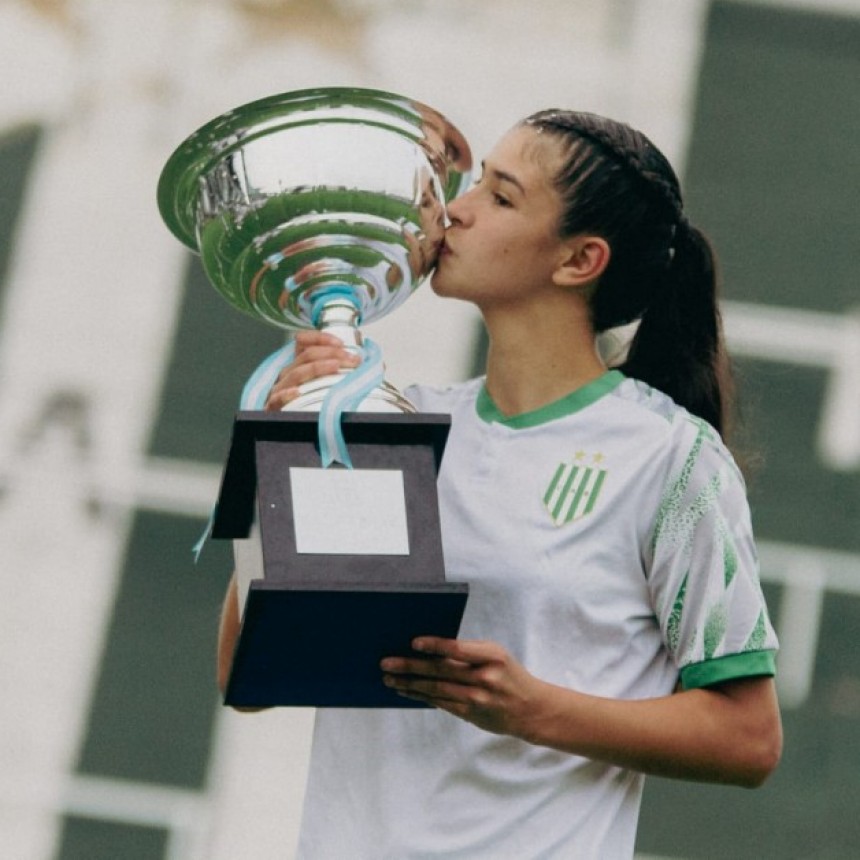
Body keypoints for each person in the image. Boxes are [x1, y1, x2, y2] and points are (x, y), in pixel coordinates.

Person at [217, 109, 783, 859]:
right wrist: (295, 442)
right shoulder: (391, 425)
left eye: (502, 195)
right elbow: (249, 679)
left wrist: (531, 709)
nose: (457, 207)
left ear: (579, 260)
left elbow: (748, 738)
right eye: (476, 179)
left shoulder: (670, 460)